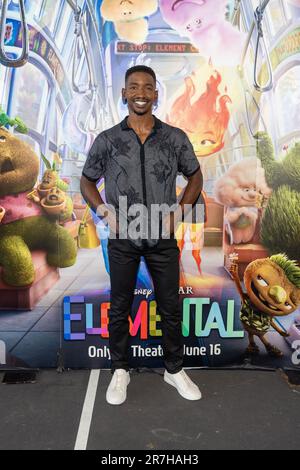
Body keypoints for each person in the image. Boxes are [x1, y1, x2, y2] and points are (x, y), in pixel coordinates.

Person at [80, 65, 204, 405]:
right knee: (119, 306)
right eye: (133, 87)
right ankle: (120, 370)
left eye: (147, 87)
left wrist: (179, 210)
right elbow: (86, 181)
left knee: (169, 307)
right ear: (124, 94)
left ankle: (174, 369)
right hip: (124, 238)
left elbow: (195, 176)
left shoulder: (174, 137)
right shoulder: (108, 140)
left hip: (162, 238)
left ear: (155, 94)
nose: (140, 92)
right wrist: (104, 211)